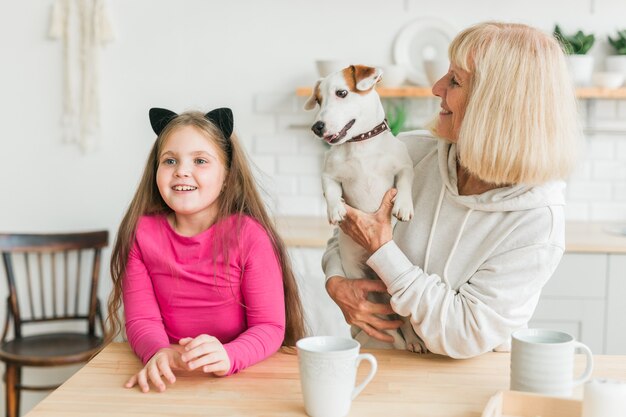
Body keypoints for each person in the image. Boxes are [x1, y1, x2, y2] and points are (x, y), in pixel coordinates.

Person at [323, 22, 580, 358]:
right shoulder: (410, 153)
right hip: (380, 364)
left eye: (455, 80)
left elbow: (465, 334)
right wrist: (336, 282)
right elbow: (346, 231)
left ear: (496, 106)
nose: (436, 87)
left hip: (465, 383)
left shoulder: (536, 220)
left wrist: (382, 248)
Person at [106, 107, 305, 392]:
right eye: (170, 160)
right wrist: (158, 352)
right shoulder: (141, 234)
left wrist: (230, 355)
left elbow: (269, 326)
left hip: (240, 378)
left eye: (200, 160)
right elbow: (142, 320)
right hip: (175, 380)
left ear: (227, 176)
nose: (182, 171)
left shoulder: (250, 236)